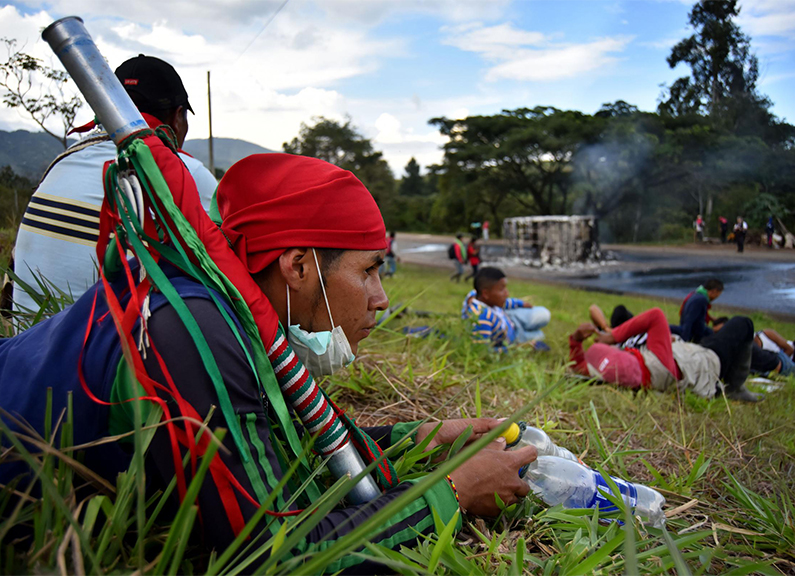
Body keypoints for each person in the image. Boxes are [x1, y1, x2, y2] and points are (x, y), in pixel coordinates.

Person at [0, 150, 538, 572]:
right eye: (369, 270)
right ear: (298, 266)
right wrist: (452, 492)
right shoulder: (197, 332)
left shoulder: (239, 318)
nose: (381, 299)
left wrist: (429, 436)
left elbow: (287, 442)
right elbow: (270, 554)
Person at [11, 55, 218, 313]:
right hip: (102, 350)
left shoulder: (63, 162)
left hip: (22, 339)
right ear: (177, 118)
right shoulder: (186, 171)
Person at [569, 308, 763, 402]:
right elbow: (656, 315)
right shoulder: (655, 362)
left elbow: (579, 367)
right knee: (743, 324)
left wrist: (576, 339)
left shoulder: (638, 361)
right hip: (706, 359)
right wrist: (610, 337)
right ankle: (736, 387)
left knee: (714, 335)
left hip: (683, 351)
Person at [461, 267, 550, 351]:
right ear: (486, 294)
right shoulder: (481, 318)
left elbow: (505, 302)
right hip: (513, 336)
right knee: (540, 335)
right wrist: (520, 347)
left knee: (544, 314)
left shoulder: (480, 296)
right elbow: (484, 351)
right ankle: (526, 333)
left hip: (510, 318)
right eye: (502, 289)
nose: (507, 293)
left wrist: (521, 303)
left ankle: (528, 329)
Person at [673, 279, 724, 344]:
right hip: (692, 331)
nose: (717, 297)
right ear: (714, 291)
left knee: (710, 332)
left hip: (695, 329)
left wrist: (710, 318)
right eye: (718, 294)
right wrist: (684, 340)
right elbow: (689, 320)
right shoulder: (701, 300)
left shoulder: (697, 294)